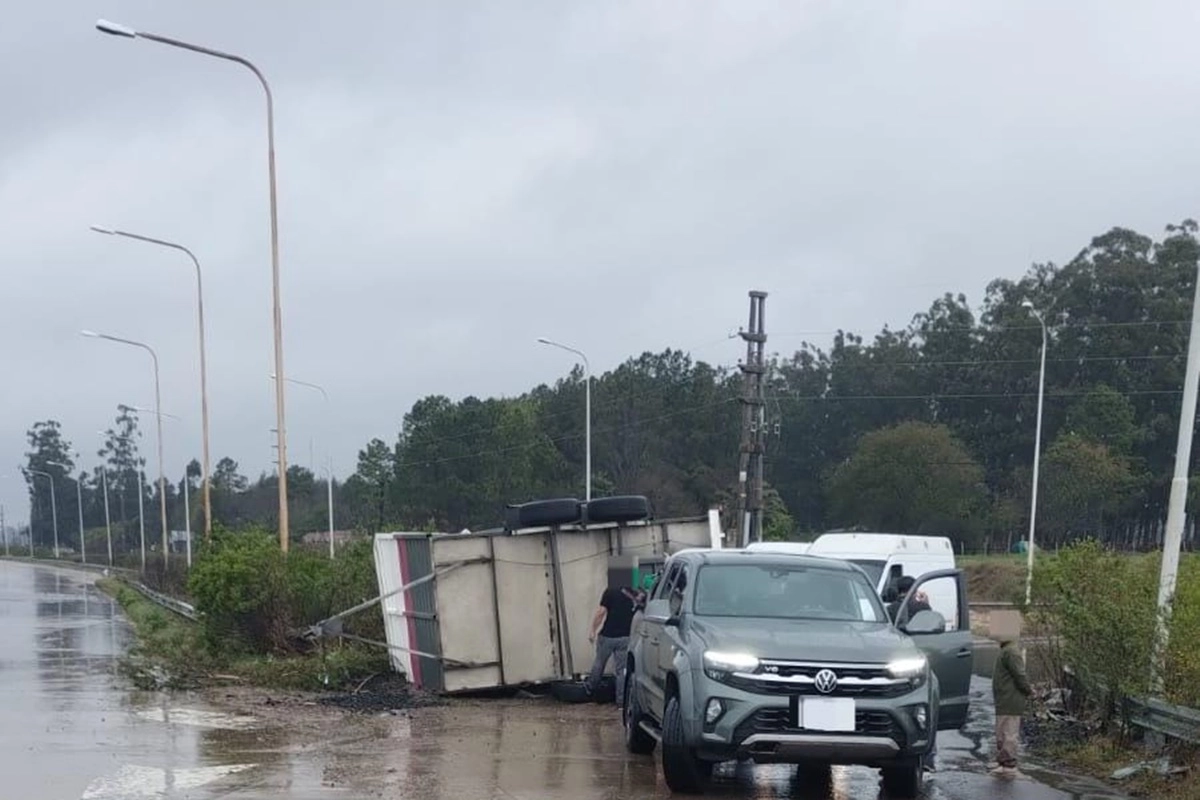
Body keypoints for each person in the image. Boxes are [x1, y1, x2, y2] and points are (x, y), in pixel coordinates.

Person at [991, 618, 1033, 776]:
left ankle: (1008, 765)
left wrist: (1028, 690)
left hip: (1011, 699)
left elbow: (1020, 675)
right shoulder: (1007, 650)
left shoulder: (1011, 652)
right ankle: (1003, 761)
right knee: (1003, 730)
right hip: (1004, 699)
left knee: (1008, 732)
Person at [585, 584, 638, 707]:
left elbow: (601, 612)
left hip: (607, 636)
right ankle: (620, 701)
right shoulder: (634, 593)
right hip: (625, 637)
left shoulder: (610, 591)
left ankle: (589, 690)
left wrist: (593, 630)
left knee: (599, 663)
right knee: (621, 671)